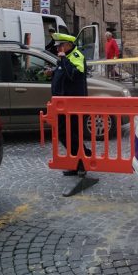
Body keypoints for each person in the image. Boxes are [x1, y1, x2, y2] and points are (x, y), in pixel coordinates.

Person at [50, 32, 91, 176]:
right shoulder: (66, 57)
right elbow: (63, 75)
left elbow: (75, 75)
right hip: (63, 104)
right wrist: (52, 72)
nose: (57, 49)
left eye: (60, 46)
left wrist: (63, 60)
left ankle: (83, 160)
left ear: (68, 45)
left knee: (71, 134)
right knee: (65, 134)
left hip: (74, 105)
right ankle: (78, 162)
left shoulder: (76, 56)